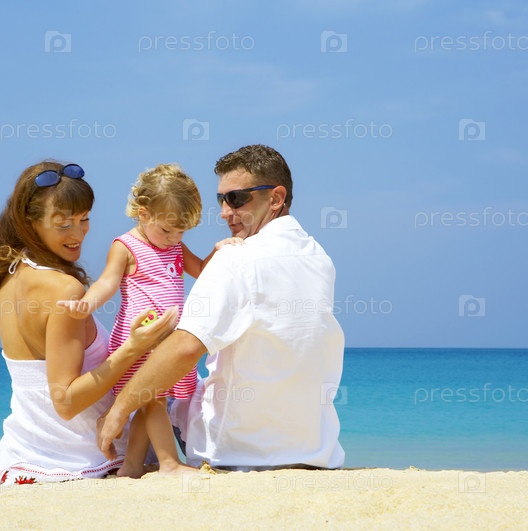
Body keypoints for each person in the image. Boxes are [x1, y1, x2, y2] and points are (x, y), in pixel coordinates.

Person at [97, 145, 346, 471]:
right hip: (314, 449)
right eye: (221, 200)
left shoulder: (237, 258)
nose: (225, 212)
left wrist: (118, 409)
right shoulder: (320, 258)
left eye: (236, 198)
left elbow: (186, 347)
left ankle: (133, 463)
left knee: (152, 388)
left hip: (233, 449)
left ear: (275, 198)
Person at [0, 161, 177, 486]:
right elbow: (65, 402)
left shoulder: (10, 276)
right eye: (63, 224)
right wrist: (134, 348)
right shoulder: (64, 290)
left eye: (84, 219)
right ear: (29, 222)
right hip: (81, 461)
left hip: (18, 458)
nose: (78, 233)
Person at [58, 163, 239, 478]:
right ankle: (169, 462)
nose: (174, 238)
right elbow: (107, 283)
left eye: (181, 232)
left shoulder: (174, 246)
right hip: (140, 339)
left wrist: (218, 251)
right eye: (167, 230)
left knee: (151, 400)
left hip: (167, 342)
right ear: (143, 214)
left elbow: (201, 270)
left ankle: (131, 466)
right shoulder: (126, 246)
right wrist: (86, 304)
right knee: (153, 399)